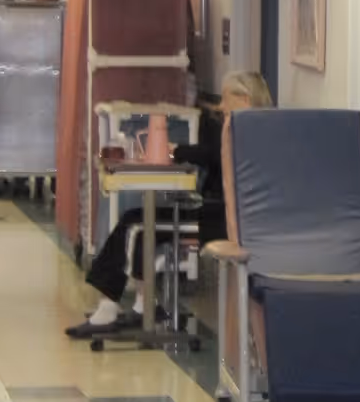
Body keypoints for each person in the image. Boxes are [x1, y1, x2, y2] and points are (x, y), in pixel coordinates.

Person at [69, 70, 271, 338]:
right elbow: (212, 158)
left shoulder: (242, 133)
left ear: (244, 99)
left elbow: (214, 157)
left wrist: (176, 151)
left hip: (226, 223)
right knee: (136, 220)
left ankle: (110, 308)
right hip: (221, 213)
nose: (220, 106)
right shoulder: (261, 130)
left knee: (137, 227)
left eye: (225, 99)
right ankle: (142, 307)